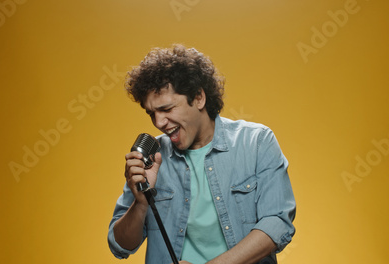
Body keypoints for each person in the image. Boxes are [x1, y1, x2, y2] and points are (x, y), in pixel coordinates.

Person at [108, 44, 296, 264]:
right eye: (152, 113)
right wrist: (140, 203)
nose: (158, 123)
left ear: (198, 98)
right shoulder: (152, 159)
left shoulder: (256, 142)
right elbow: (120, 246)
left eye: (167, 109)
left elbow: (277, 222)